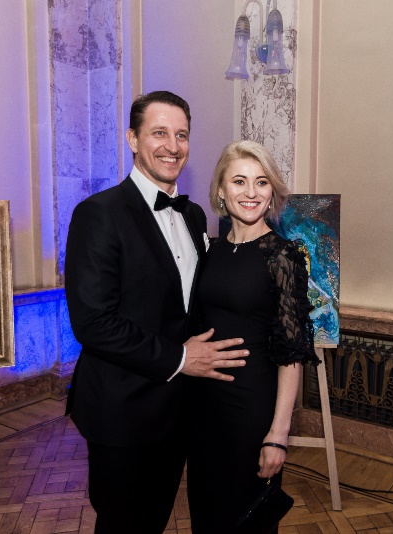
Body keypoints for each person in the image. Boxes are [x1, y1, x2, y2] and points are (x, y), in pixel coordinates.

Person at [64, 91, 249, 534]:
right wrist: (181, 358)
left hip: (178, 409)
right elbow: (93, 323)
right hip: (122, 410)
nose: (172, 146)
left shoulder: (193, 215)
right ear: (133, 139)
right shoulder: (98, 213)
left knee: (156, 520)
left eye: (181, 135)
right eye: (159, 133)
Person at [187, 140, 319, 533]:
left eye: (261, 182)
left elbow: (291, 354)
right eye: (239, 181)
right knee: (206, 516)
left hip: (250, 411)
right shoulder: (209, 251)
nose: (251, 192)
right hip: (203, 409)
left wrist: (278, 434)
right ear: (221, 190)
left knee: (246, 521)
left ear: (272, 191)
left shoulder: (282, 256)